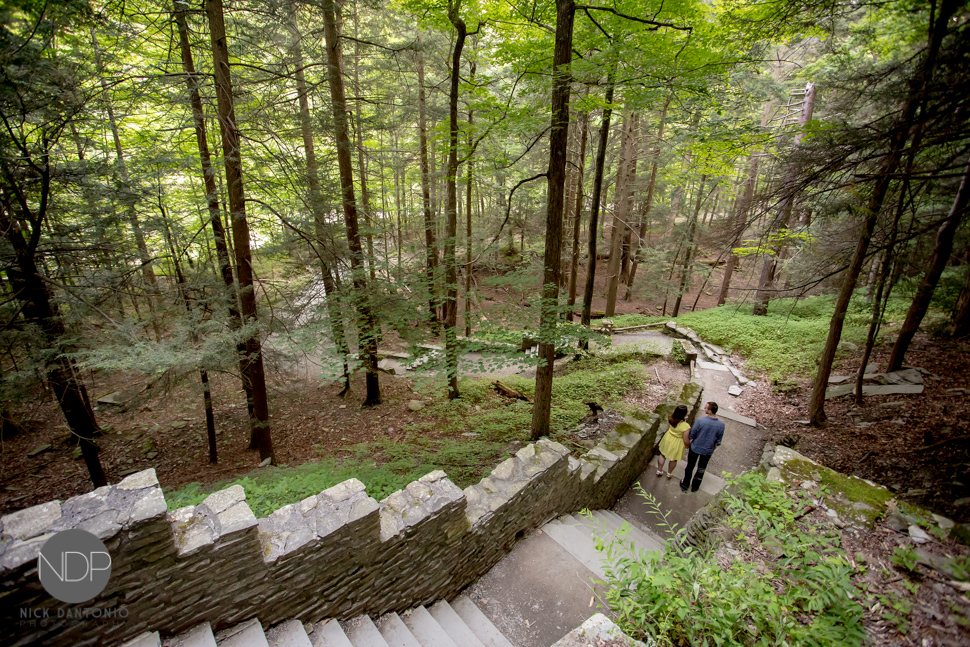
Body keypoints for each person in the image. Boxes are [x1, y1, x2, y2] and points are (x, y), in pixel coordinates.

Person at [680, 401, 725, 493]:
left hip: (695, 447)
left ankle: (685, 484)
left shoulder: (701, 421)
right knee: (701, 469)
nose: (704, 409)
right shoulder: (721, 425)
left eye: (706, 408)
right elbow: (718, 440)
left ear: (710, 411)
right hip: (708, 450)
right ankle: (695, 487)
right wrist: (713, 447)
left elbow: (692, 434)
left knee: (690, 466)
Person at [655, 404, 690, 479]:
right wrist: (688, 445)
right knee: (673, 459)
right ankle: (669, 473)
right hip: (677, 442)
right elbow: (685, 439)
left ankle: (659, 470)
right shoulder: (686, 426)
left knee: (663, 455)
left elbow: (668, 429)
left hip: (668, 438)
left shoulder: (670, 418)